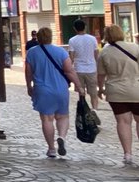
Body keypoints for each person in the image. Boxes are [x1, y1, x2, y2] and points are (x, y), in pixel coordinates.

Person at [24, 27, 83, 159]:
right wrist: (79, 86)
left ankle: (51, 148)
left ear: (38, 37)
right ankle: (61, 137)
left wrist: (29, 86)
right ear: (51, 37)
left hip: (42, 89)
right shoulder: (60, 51)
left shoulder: (32, 53)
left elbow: (28, 72)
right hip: (60, 89)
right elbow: (69, 71)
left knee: (47, 119)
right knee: (63, 116)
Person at [96, 24, 139, 166]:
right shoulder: (134, 47)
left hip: (115, 91)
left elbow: (101, 75)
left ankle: (127, 154)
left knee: (123, 122)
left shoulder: (105, 53)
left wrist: (100, 89)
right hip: (136, 89)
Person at [67, 19, 100, 110]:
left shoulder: (72, 40)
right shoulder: (92, 39)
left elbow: (71, 57)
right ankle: (95, 108)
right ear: (85, 27)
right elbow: (96, 53)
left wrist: (70, 69)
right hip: (91, 69)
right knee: (93, 92)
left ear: (74, 28)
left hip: (78, 69)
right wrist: (97, 65)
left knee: (81, 91)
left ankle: (84, 108)